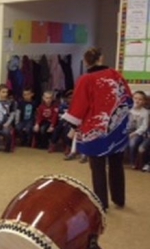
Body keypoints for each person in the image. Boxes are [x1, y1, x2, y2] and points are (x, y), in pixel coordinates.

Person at [63, 47, 133, 211]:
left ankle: (102, 203)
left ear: (86, 61)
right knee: (117, 163)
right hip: (117, 126)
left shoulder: (85, 79)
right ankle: (119, 199)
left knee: (98, 166)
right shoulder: (115, 75)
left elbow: (79, 105)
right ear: (101, 58)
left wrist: (73, 126)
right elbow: (128, 98)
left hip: (96, 128)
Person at [127, 91, 148, 168]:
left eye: (140, 99)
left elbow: (144, 126)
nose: (137, 101)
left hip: (138, 134)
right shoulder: (128, 109)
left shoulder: (145, 112)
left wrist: (134, 134)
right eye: (135, 98)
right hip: (126, 131)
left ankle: (133, 162)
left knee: (132, 143)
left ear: (144, 101)